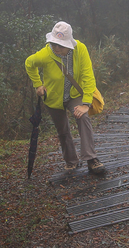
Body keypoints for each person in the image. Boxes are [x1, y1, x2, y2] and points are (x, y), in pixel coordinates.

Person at [24, 21, 107, 177]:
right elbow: (29, 63)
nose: (56, 48)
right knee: (62, 130)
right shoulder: (45, 54)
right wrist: (38, 84)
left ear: (69, 43)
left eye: (61, 45)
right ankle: (71, 161)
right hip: (53, 98)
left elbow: (88, 77)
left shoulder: (80, 49)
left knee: (83, 117)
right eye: (54, 44)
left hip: (74, 95)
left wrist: (86, 103)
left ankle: (91, 159)